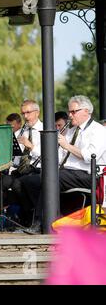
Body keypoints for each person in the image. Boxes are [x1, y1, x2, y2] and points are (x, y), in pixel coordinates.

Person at [22, 95, 106, 233]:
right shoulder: (71, 131)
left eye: (74, 112)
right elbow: (60, 156)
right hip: (66, 172)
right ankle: (49, 217)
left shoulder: (99, 131)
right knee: (29, 181)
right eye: (69, 112)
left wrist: (66, 145)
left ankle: (40, 222)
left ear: (86, 111)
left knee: (51, 178)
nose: (70, 115)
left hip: (88, 174)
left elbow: (90, 157)